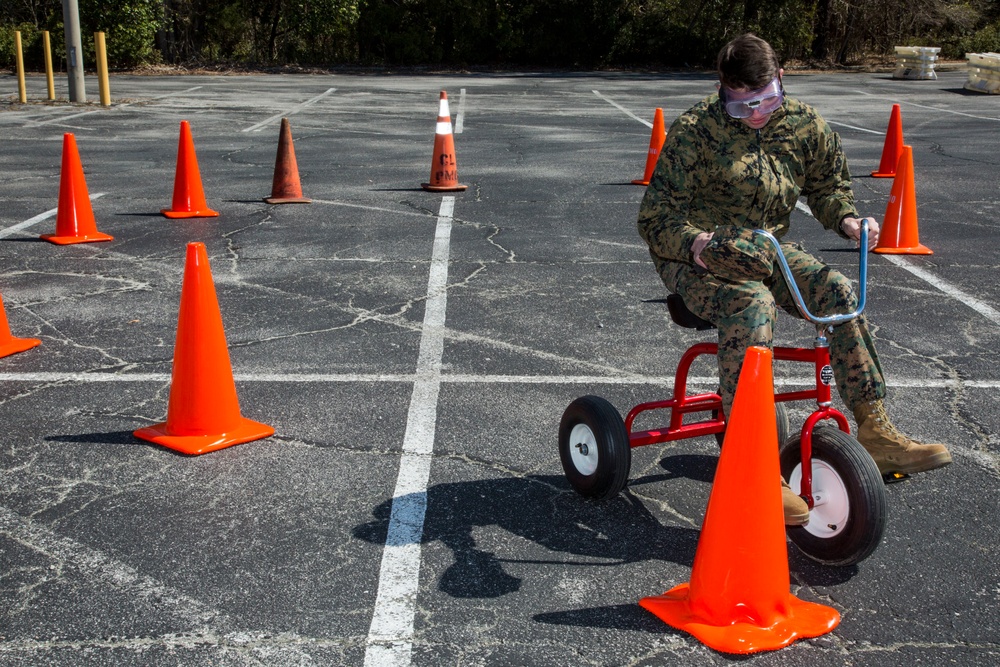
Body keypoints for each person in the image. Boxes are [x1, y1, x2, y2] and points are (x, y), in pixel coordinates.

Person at [636, 33, 952, 526]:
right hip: (700, 255)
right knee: (752, 306)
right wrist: (696, 244)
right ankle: (753, 466)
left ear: (781, 79)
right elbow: (655, 219)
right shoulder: (696, 129)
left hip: (768, 250)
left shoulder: (807, 126)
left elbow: (828, 188)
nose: (756, 114)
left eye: (765, 101)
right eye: (741, 107)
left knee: (838, 291)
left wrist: (848, 220)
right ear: (724, 90)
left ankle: (874, 429)